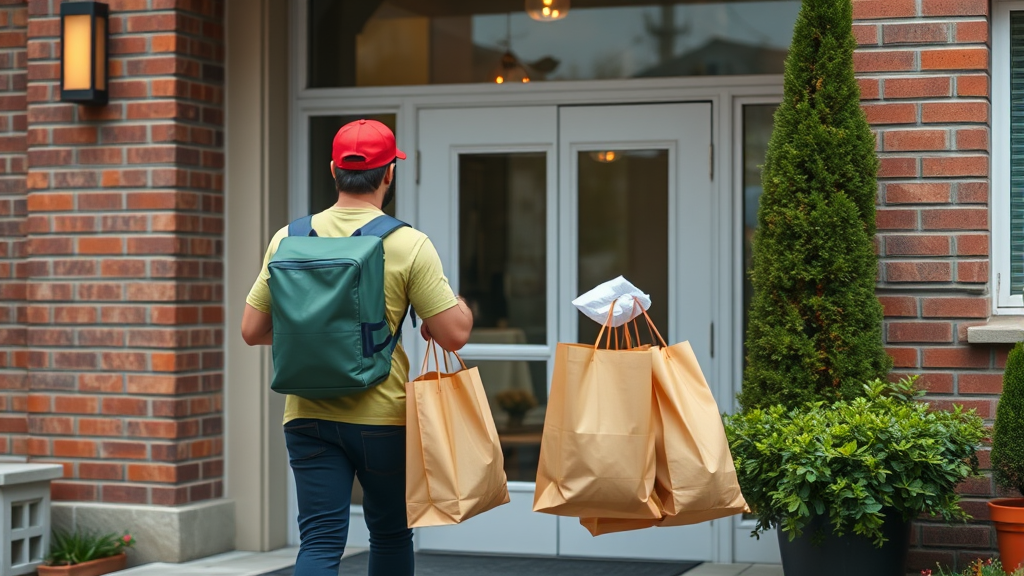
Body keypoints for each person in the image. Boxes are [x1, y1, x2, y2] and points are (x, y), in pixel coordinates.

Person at [240, 119, 474, 576]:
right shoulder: (407, 243)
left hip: (306, 414)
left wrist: (316, 337)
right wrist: (453, 304)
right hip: (382, 418)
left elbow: (252, 329)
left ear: (333, 170)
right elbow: (454, 334)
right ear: (389, 173)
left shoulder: (289, 238)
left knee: (320, 541)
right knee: (389, 533)